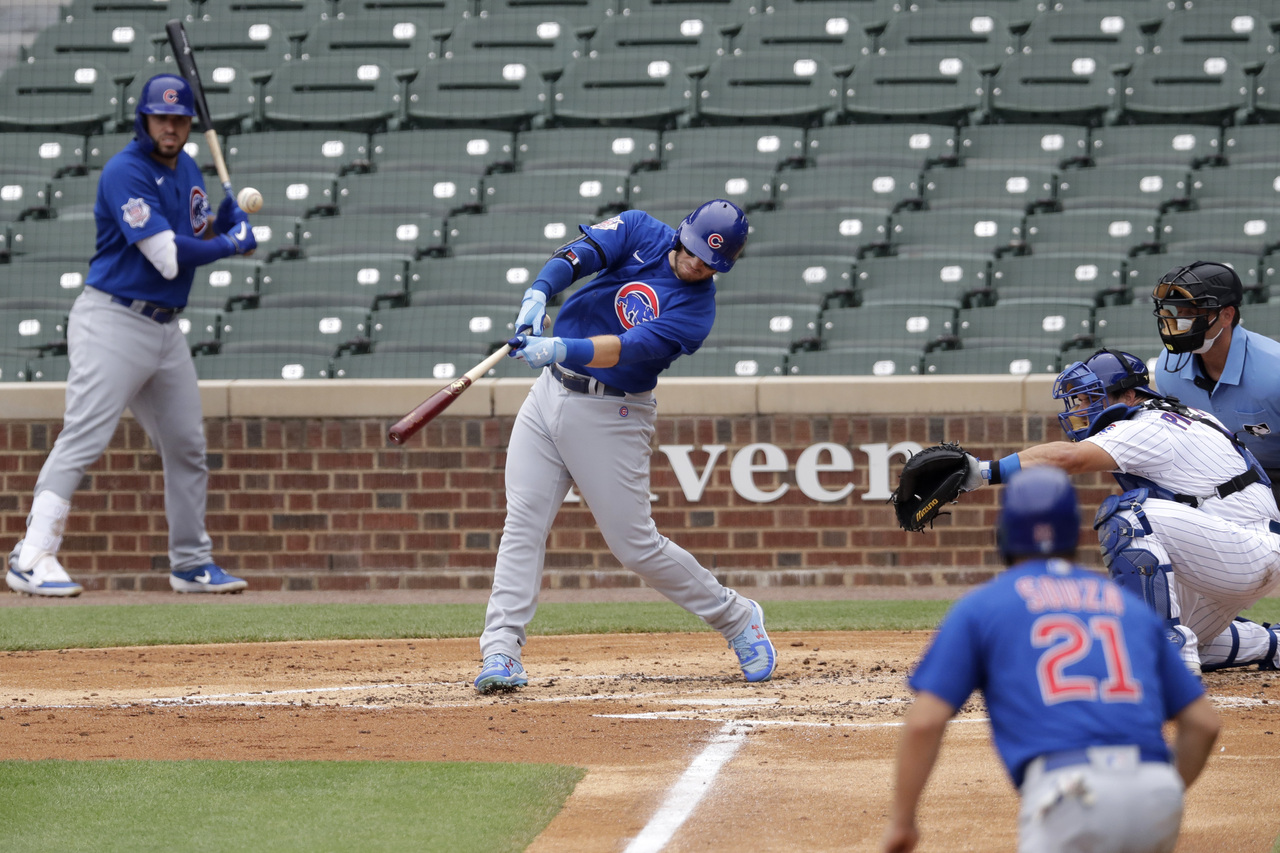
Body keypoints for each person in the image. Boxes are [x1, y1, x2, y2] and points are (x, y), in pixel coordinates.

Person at [473, 200, 777, 693]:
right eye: (696, 251)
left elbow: (625, 349)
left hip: (611, 412)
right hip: (549, 393)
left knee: (634, 545)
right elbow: (580, 255)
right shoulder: (640, 230)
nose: (698, 265)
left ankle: (737, 617)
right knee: (523, 520)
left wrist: (559, 347)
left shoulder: (695, 313)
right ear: (684, 233)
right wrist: (538, 291)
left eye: (712, 262)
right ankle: (501, 649)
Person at [5, 74, 257, 597]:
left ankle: (190, 563)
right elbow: (166, 257)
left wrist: (220, 226)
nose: (171, 126)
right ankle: (31, 557)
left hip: (165, 329)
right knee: (84, 436)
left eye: (180, 118)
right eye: (161, 117)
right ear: (143, 119)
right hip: (113, 321)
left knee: (187, 444)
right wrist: (231, 246)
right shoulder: (126, 170)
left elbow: (193, 235)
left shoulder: (187, 166)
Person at [882, 466, 1221, 853]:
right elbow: (1204, 724)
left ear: (1005, 533)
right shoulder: (1129, 607)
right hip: (1155, 791)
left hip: (1068, 793)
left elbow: (925, 723)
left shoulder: (984, 606)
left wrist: (902, 822)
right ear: (1072, 534)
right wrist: (1157, 792)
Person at [960, 348, 1280, 674]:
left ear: (1128, 395)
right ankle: (1273, 644)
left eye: (1089, 398)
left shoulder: (1147, 422)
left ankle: (1161, 652)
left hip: (1242, 548)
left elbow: (1068, 459)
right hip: (1232, 550)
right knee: (1178, 641)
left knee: (1126, 518)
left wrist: (981, 472)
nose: (1081, 411)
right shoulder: (1181, 415)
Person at [1149, 260, 1280, 508]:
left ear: (1226, 315)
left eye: (1193, 313)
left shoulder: (1274, 373)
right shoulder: (1168, 367)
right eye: (1178, 313)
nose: (1180, 323)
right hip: (1215, 475)